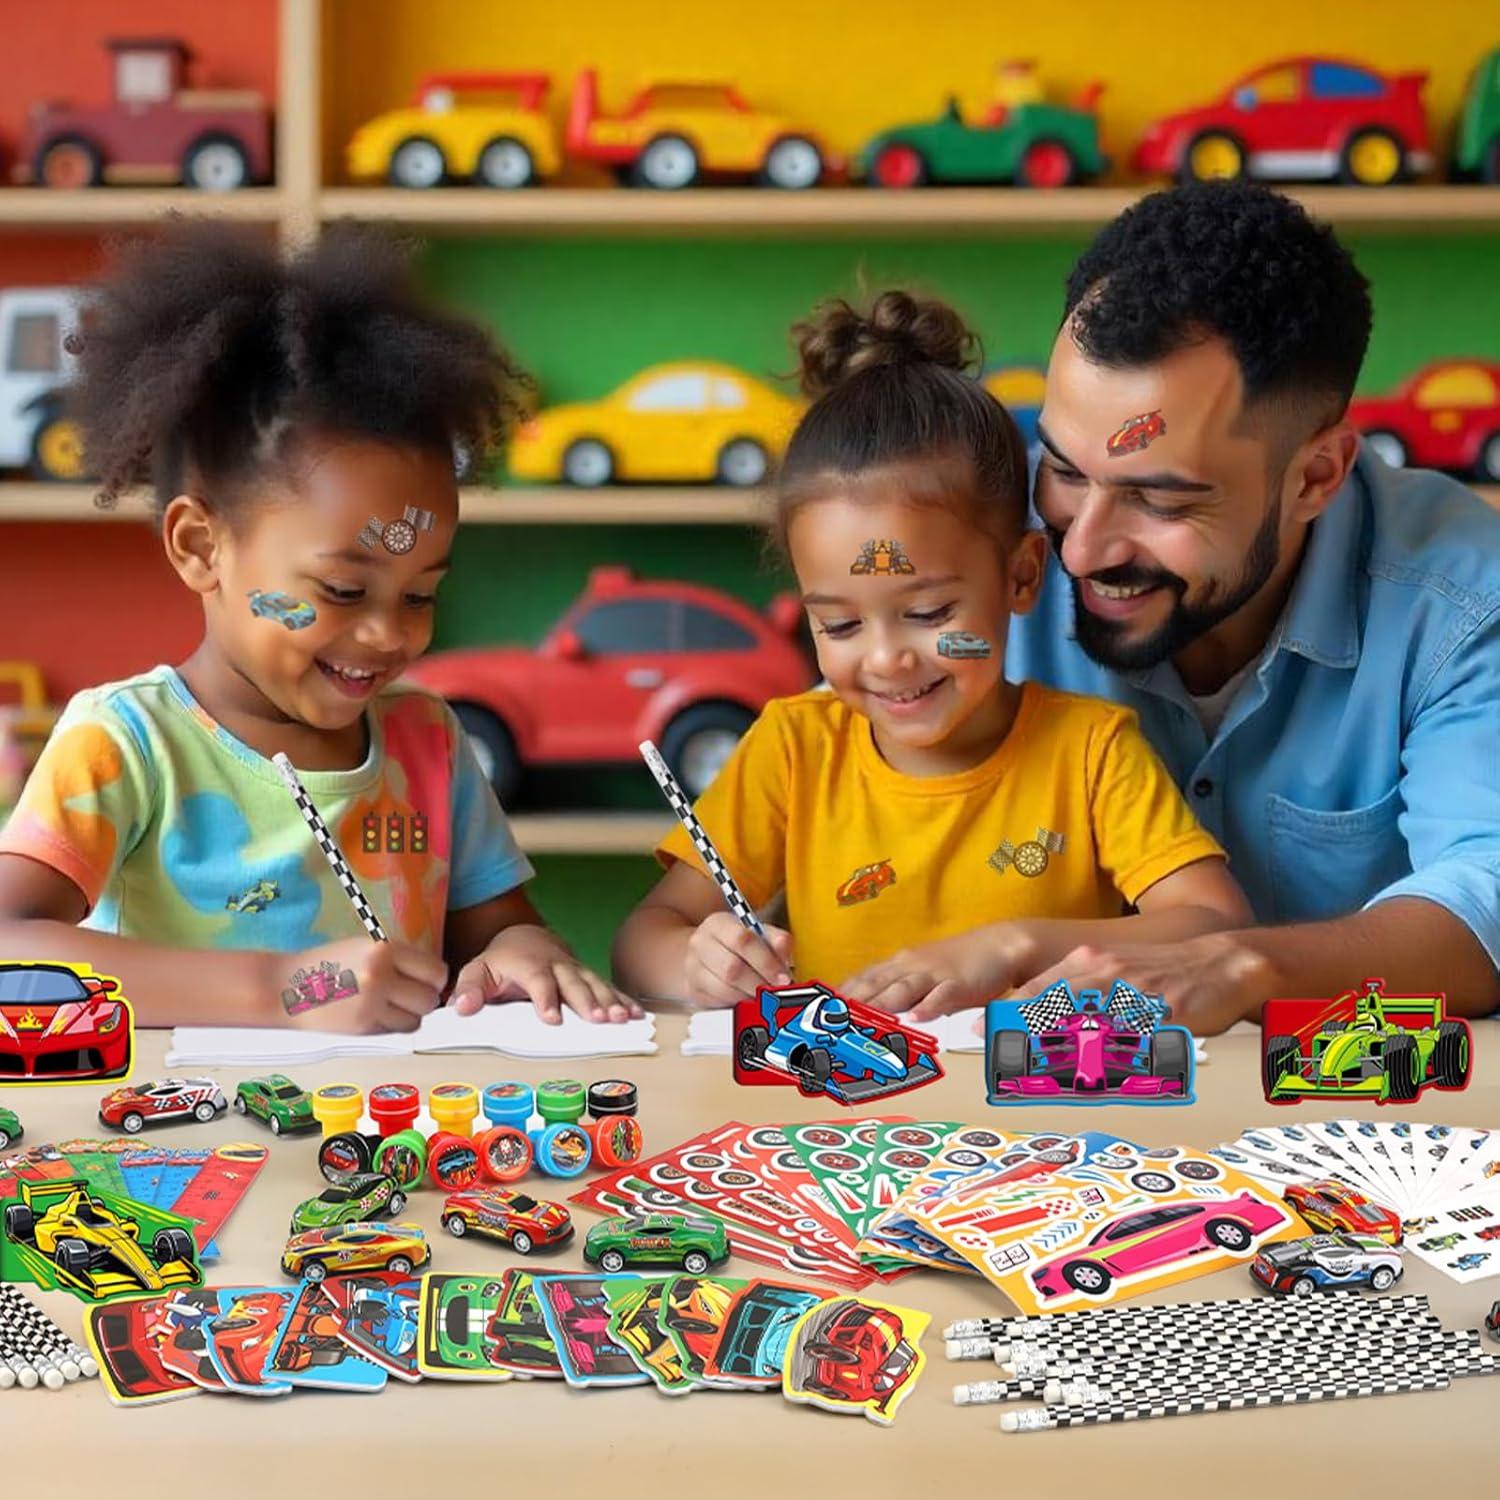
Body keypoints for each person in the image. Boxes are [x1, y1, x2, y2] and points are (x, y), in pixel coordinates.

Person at [0, 221, 640, 1033]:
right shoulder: (125, 742)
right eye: (342, 589)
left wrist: (523, 952)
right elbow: (12, 956)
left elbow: (501, 923)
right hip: (180, 1143)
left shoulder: (429, 744)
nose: (386, 636)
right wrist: (284, 992)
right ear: (202, 547)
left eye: (419, 596)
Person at [612, 289, 1251, 1014]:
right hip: (848, 1118)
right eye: (841, 627)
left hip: (1041, 1111)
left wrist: (1013, 944)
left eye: (927, 612)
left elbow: (1214, 924)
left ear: (1021, 575)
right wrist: (695, 965)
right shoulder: (793, 751)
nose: (886, 660)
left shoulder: (1092, 751)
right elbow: (643, 938)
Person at [999, 181, 1500, 1030]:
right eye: (1066, 470)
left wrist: (1244, 965)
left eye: (1161, 502)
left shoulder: (1462, 600)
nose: (1079, 550)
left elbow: (1484, 904)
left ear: (1315, 478)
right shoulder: (974, 537)